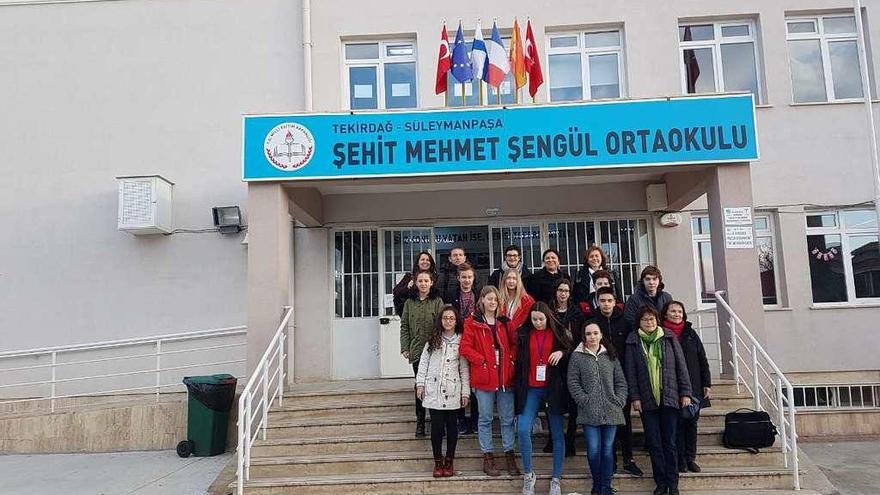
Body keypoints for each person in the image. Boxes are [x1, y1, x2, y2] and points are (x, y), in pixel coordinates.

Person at [625, 306, 692, 495]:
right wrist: (635, 397)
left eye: (652, 319)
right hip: (647, 401)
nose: (649, 323)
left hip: (670, 397)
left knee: (670, 442)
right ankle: (661, 483)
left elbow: (681, 366)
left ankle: (673, 483)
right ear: (639, 321)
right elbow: (631, 372)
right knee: (654, 443)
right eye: (645, 320)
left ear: (657, 320)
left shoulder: (668, 337)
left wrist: (685, 392)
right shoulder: (633, 341)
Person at [460, 286, 520, 477]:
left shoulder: (504, 322)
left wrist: (510, 359)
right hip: (484, 377)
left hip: (504, 377)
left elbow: (514, 344)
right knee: (485, 418)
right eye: (489, 299)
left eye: (495, 299)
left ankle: (509, 454)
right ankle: (488, 457)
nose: (492, 302)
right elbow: (465, 348)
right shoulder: (473, 322)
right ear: (482, 300)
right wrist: (481, 360)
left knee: (507, 419)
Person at [514, 302, 573, 495]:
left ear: (547, 318)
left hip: (551, 389)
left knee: (557, 434)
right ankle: (529, 474)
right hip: (531, 388)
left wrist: (561, 352)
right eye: (534, 319)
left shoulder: (558, 333)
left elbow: (571, 350)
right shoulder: (524, 334)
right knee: (523, 429)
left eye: (541, 319)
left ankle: (556, 478)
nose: (538, 323)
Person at [567, 322, 628, 495]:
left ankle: (605, 487)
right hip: (589, 411)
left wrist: (619, 400)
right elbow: (573, 382)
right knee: (594, 450)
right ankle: (597, 483)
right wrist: (584, 400)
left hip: (611, 410)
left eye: (595, 333)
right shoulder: (577, 356)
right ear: (583, 336)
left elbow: (620, 382)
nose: (592, 337)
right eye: (588, 334)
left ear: (601, 335)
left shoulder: (610, 355)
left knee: (608, 450)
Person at [590, 286, 644, 477]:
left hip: (622, 379)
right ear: (597, 301)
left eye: (609, 300)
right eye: (602, 300)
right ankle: (610, 459)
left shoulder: (626, 321)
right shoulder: (591, 322)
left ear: (615, 301)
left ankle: (628, 459)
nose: (606, 304)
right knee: (605, 421)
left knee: (624, 420)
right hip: (600, 379)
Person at [416, 305, 470, 478]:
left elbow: (464, 369)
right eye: (445, 318)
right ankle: (438, 461)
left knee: (452, 428)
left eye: (451, 318)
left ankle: (449, 461)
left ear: (456, 321)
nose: (448, 321)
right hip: (434, 390)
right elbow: (423, 363)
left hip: (453, 390)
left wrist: (465, 392)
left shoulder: (461, 341)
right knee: (437, 428)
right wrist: (420, 384)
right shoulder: (433, 340)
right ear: (440, 320)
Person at [661, 301, 712, 474]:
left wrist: (707, 383)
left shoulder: (690, 333)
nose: (676, 314)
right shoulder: (662, 334)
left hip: (694, 386)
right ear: (665, 313)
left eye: (679, 311)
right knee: (677, 425)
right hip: (672, 387)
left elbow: (702, 359)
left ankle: (690, 458)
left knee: (691, 423)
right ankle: (680, 460)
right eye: (673, 311)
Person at [399, 270, 444, 437]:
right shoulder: (409, 303)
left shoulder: (437, 301)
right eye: (420, 281)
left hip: (435, 350)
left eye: (426, 281)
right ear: (416, 283)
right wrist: (405, 347)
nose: (423, 284)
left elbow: (443, 325)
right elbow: (404, 326)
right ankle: (420, 422)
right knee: (420, 385)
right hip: (417, 351)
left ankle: (437, 421)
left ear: (431, 283)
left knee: (435, 384)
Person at [545, 278, 583, 457]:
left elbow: (579, 341)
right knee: (553, 403)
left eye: (566, 291)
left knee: (573, 404)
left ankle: (570, 440)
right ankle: (553, 438)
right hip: (551, 363)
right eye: (560, 290)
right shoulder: (548, 312)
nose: (563, 294)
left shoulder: (576, 314)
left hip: (572, 362)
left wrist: (564, 352)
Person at [449, 263, 481, 434]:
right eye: (463, 277)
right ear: (458, 278)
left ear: (473, 278)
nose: (466, 280)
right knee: (459, 379)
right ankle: (461, 418)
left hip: (475, 340)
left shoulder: (479, 294)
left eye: (469, 277)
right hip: (457, 338)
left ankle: (475, 419)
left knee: (475, 380)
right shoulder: (452, 294)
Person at [623, 266, 673, 332]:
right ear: (643, 281)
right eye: (648, 279)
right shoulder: (633, 299)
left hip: (664, 335)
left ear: (659, 280)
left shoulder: (667, 297)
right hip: (641, 336)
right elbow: (629, 320)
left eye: (654, 279)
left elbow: (670, 317)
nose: (651, 282)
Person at [392, 251, 437, 316]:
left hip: (431, 314)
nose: (425, 262)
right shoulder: (409, 277)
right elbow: (396, 291)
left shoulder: (436, 278)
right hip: (413, 314)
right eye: (422, 259)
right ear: (418, 263)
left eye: (428, 260)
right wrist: (407, 287)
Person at [499, 269, 535, 341]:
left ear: (518, 281)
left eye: (514, 278)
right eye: (508, 278)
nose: (511, 281)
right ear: (504, 281)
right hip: (503, 338)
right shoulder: (498, 299)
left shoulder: (527, 300)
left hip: (521, 339)